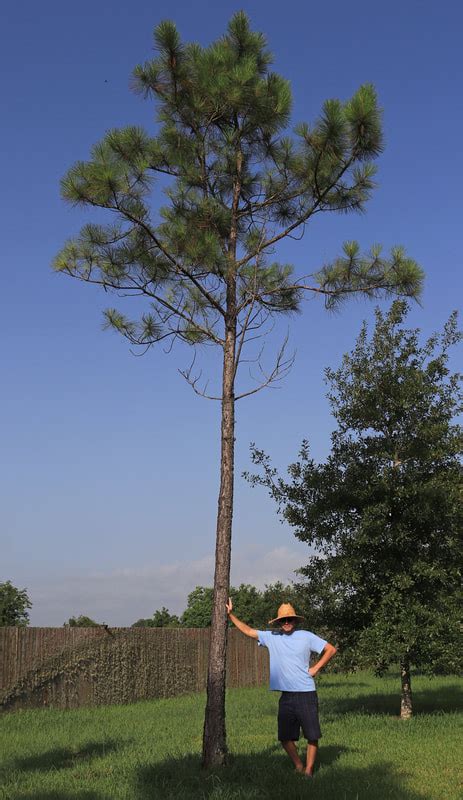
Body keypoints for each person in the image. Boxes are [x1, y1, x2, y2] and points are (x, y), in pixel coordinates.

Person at [226, 598, 337, 777]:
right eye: (283, 620)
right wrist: (231, 615)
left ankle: (308, 770)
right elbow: (248, 631)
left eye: (289, 619)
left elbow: (331, 649)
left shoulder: (307, 636)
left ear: (295, 621)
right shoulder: (272, 637)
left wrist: (316, 667)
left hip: (306, 693)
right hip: (286, 696)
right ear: (278, 622)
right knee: (284, 737)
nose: (286, 623)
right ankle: (298, 765)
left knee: (312, 735)